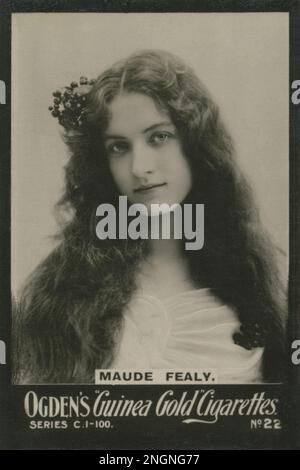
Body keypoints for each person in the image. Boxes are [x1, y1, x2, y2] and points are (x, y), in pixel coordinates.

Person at [12, 49, 286, 384]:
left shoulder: (252, 280)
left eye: (159, 137)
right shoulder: (62, 292)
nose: (140, 168)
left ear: (196, 142)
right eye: (119, 147)